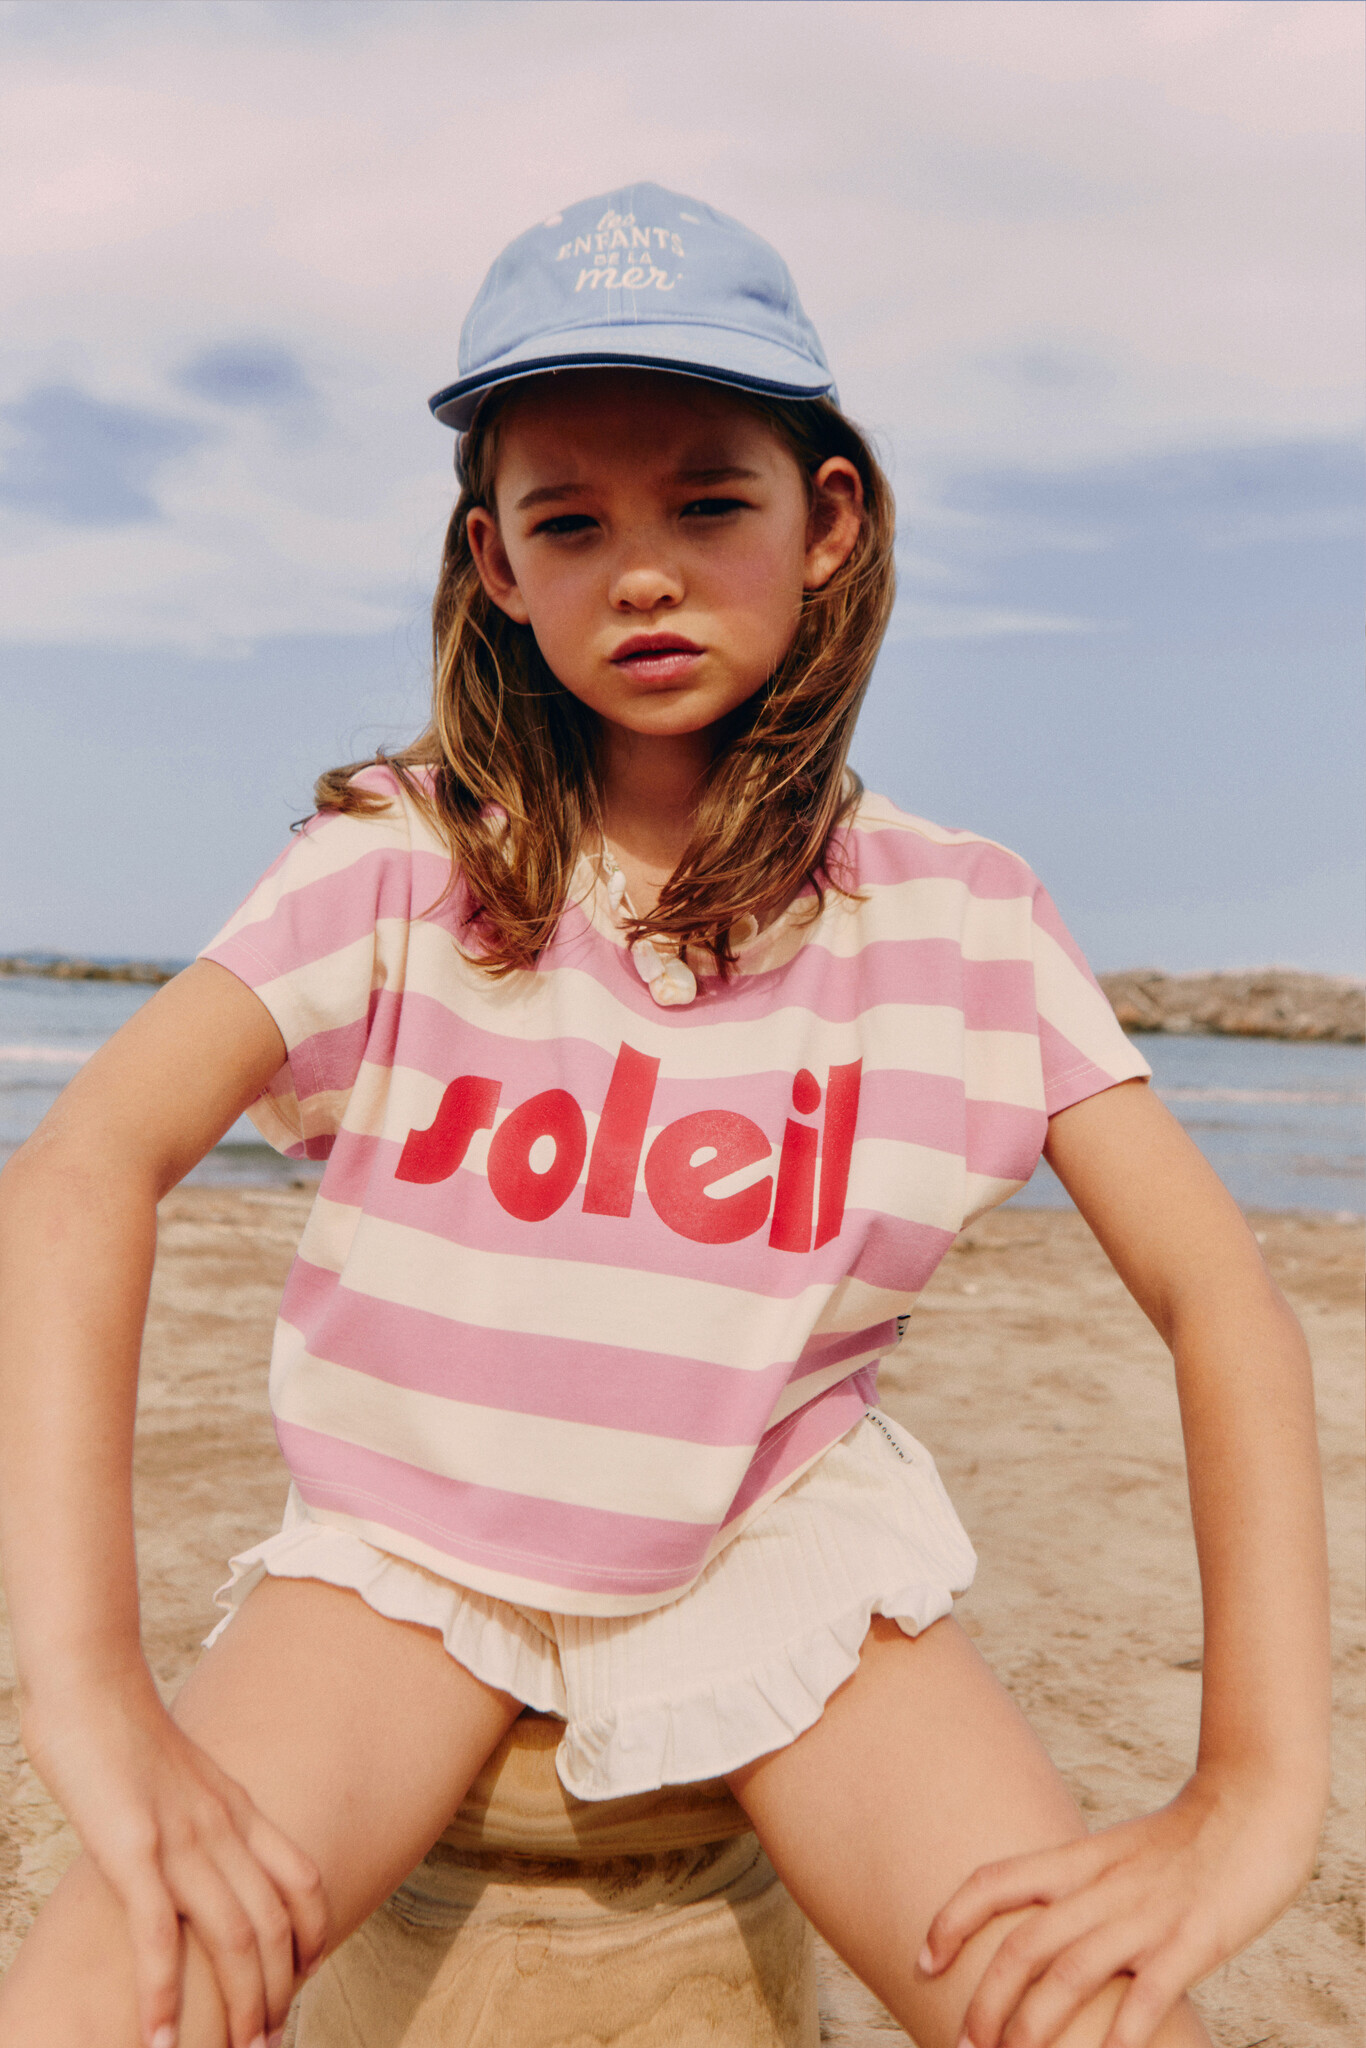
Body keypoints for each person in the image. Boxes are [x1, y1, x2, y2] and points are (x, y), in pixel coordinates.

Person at [0, 183, 1328, 2048]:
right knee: (109, 1991)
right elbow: (76, 1173)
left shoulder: (955, 918)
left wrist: (1252, 1787)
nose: (641, 572)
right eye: (571, 521)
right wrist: (91, 1689)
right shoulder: (399, 861)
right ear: (494, 561)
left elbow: (1221, 1301)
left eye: (709, 503)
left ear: (826, 521)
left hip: (776, 1552)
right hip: (403, 1553)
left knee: (1090, 2016)